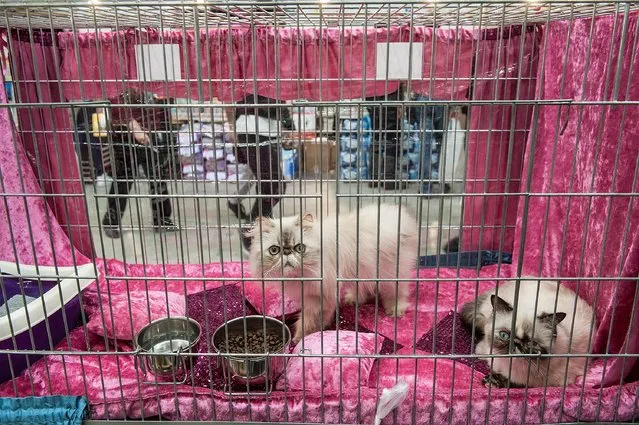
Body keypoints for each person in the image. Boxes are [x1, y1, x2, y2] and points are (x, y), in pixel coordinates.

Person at [101, 90, 178, 238]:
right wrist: (135, 128)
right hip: (124, 134)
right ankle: (111, 221)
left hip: (151, 131)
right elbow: (116, 102)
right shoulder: (122, 75)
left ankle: (162, 219)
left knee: (157, 175)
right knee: (123, 179)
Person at [227, 94, 293, 250]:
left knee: (269, 185)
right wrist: (289, 125)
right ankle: (250, 230)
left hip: (264, 129)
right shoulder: (261, 73)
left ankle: (260, 227)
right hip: (254, 130)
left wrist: (288, 125)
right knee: (273, 186)